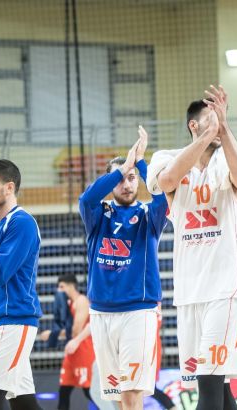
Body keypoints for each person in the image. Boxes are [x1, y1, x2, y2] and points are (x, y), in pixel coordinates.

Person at [148, 85, 237, 410]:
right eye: (211, 119)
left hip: (226, 288)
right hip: (190, 291)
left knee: (208, 382)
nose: (218, 124)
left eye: (221, 117)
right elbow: (166, 182)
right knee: (218, 387)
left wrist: (224, 127)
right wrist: (207, 135)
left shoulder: (227, 158)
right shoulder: (166, 158)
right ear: (193, 125)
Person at [80, 126, 168, 409]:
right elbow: (86, 198)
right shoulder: (98, 214)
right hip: (100, 312)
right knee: (117, 395)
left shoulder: (148, 214)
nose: (126, 184)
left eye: (132, 178)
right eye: (120, 179)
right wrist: (122, 168)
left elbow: (163, 197)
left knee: (131, 391)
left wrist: (140, 162)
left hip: (138, 312)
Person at [0, 159, 43, 410]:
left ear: (9, 187)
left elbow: (0, 272)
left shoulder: (21, 222)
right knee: (24, 402)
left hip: (13, 319)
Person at [48, 275, 95, 410]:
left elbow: (76, 330)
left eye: (61, 287)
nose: (59, 290)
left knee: (89, 392)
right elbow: (70, 330)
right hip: (71, 352)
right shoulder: (69, 303)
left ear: (71, 286)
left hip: (84, 351)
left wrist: (56, 334)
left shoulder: (81, 301)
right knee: (64, 391)